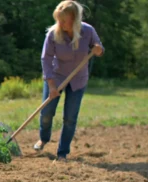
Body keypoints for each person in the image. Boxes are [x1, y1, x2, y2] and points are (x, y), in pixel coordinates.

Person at [33, 0, 104, 161]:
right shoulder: (53, 34)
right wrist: (51, 85)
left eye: (64, 20)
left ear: (74, 18)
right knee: (47, 113)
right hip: (56, 76)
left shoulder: (88, 31)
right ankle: (43, 138)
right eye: (58, 19)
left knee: (70, 118)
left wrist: (98, 50)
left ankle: (62, 152)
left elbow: (98, 48)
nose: (60, 23)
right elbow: (46, 59)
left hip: (78, 79)